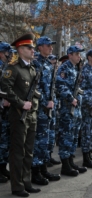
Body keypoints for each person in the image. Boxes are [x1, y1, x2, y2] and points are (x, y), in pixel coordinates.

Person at [2, 33, 41, 197]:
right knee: (18, 152)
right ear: (20, 49)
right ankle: (17, 186)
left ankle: (26, 181)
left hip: (31, 115)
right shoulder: (13, 68)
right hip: (18, 115)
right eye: (29, 48)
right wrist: (20, 103)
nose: (33, 50)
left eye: (32, 47)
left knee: (29, 150)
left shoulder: (32, 69)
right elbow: (4, 89)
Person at [31, 36, 61, 186]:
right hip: (40, 109)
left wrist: (53, 101)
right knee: (39, 141)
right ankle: (35, 172)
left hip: (49, 109)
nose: (51, 48)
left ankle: (43, 169)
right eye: (48, 46)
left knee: (47, 141)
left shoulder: (48, 65)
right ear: (40, 47)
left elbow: (51, 87)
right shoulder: (36, 64)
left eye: (51, 46)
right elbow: (33, 89)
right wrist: (45, 102)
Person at [56, 45, 87, 175]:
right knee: (66, 136)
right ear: (70, 55)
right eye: (77, 54)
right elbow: (60, 86)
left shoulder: (75, 68)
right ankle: (65, 165)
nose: (79, 56)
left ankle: (71, 160)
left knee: (74, 136)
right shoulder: (64, 68)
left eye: (80, 54)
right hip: (67, 108)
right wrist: (70, 98)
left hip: (76, 108)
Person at [0, 42, 16, 183]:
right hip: (1, 107)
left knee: (5, 141)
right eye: (7, 52)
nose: (10, 55)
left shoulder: (7, 67)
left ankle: (2, 167)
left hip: (6, 111)